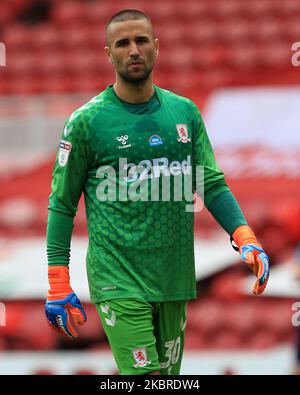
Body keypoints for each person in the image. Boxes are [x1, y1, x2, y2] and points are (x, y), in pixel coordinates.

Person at [45, 9, 270, 375]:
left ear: (156, 47)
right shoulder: (86, 122)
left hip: (173, 278)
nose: (133, 50)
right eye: (122, 43)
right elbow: (61, 205)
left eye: (141, 40)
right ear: (108, 53)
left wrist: (245, 236)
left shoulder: (185, 114)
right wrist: (58, 281)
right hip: (117, 277)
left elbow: (209, 182)